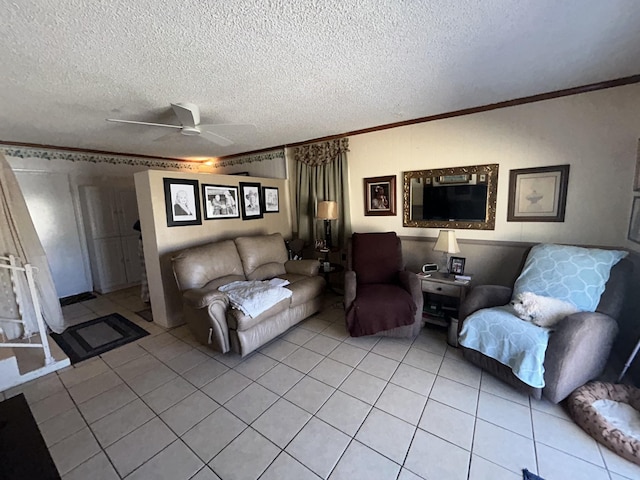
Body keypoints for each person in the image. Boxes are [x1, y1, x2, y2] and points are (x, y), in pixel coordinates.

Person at [132, 220, 150, 309]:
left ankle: (146, 297)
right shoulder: (144, 217)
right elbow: (135, 226)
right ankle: (146, 298)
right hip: (143, 243)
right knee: (146, 272)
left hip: (146, 242)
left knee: (147, 272)